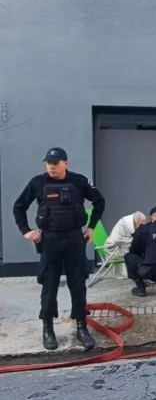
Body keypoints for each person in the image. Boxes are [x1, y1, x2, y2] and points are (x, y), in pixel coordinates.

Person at [12, 147, 105, 351]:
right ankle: (48, 328)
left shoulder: (79, 181)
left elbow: (99, 201)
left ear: (65, 163)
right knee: (49, 286)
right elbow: (18, 206)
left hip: (74, 239)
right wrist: (26, 231)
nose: (51, 167)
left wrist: (91, 227)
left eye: (55, 163)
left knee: (78, 284)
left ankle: (81, 327)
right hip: (50, 241)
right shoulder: (38, 182)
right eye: (48, 163)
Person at [103, 211, 147, 278]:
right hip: (113, 249)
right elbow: (115, 239)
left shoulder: (133, 222)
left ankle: (142, 272)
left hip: (122, 247)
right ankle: (139, 273)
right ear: (137, 221)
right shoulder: (123, 223)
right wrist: (132, 240)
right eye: (141, 224)